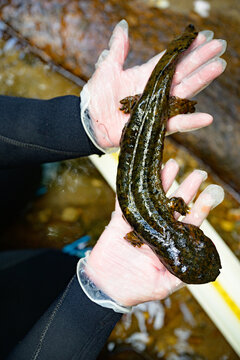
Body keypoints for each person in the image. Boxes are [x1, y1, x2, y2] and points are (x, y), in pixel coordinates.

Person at [0, 20, 226, 359]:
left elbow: (174, 202)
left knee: (16, 188)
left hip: (145, 124)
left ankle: (44, 213)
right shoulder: (143, 231)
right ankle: (71, 257)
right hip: (140, 121)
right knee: (45, 276)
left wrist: (79, 123)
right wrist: (99, 294)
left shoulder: (168, 216)